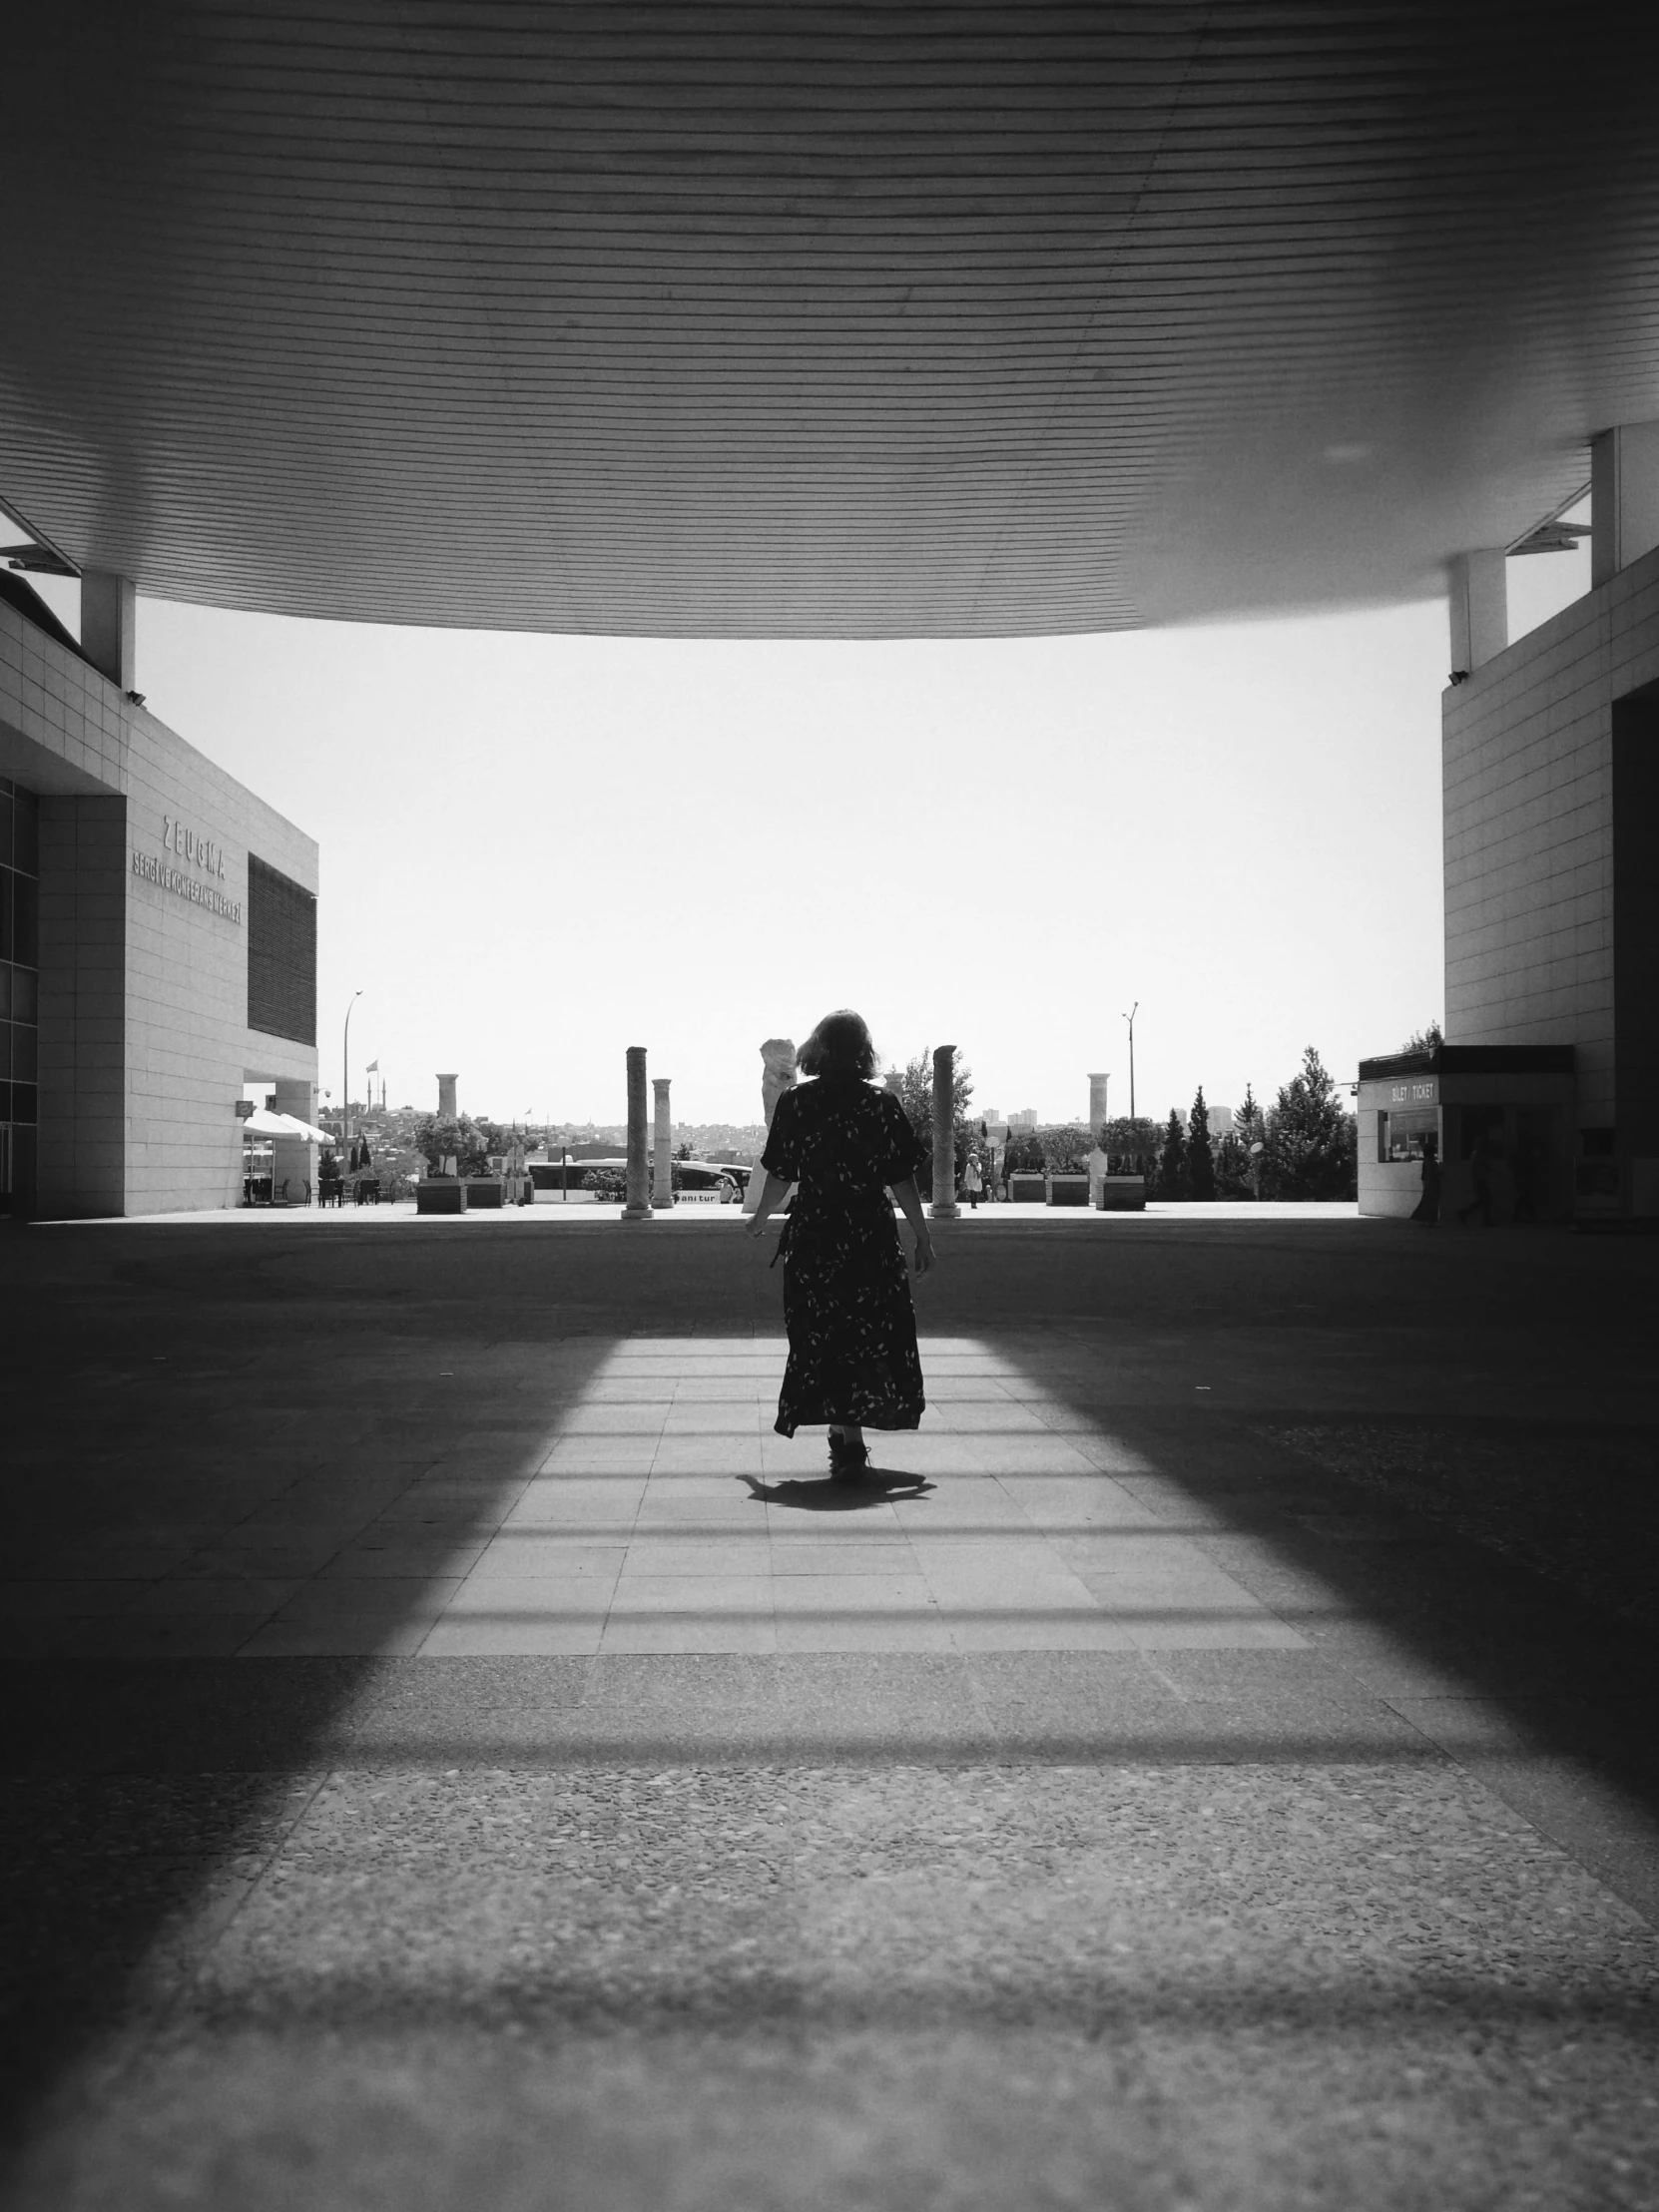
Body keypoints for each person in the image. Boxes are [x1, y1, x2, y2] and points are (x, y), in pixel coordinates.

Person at [745, 1009, 934, 1480]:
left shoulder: (796, 1103)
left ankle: (843, 1431)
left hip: (816, 1235)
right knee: (868, 1330)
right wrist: (923, 1235)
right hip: (868, 1234)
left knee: (821, 1330)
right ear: (864, 1052)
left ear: (818, 1049)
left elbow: (781, 1172)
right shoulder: (881, 1105)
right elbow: (902, 1176)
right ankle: (849, 1435)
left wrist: (761, 1219)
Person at [1458, 1131, 1496, 1228]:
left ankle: (1467, 1213)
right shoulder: (1478, 1155)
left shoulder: (1475, 1154)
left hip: (1479, 1180)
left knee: (1484, 1200)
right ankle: (1484, 1219)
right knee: (1486, 1200)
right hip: (1480, 1181)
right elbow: (1481, 1167)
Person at [1409, 1134, 1441, 1225]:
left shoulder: (1427, 1160)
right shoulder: (1430, 1161)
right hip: (1432, 1183)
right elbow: (1431, 1172)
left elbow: (1425, 1174)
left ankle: (1427, 1219)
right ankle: (1429, 1219)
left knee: (1428, 1201)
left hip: (1429, 1183)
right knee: (1431, 1202)